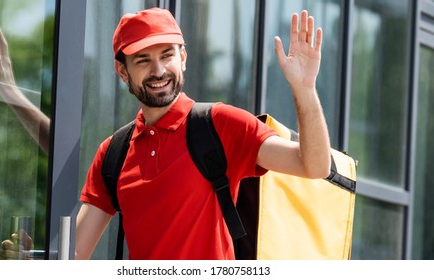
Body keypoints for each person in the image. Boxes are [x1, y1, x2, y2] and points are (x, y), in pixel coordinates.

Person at [75, 7, 330, 260]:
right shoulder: (113, 153)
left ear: (182, 58)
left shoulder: (220, 125)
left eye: (167, 56)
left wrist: (304, 89)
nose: (159, 70)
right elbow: (74, 254)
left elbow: (315, 166)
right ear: (122, 71)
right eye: (143, 60)